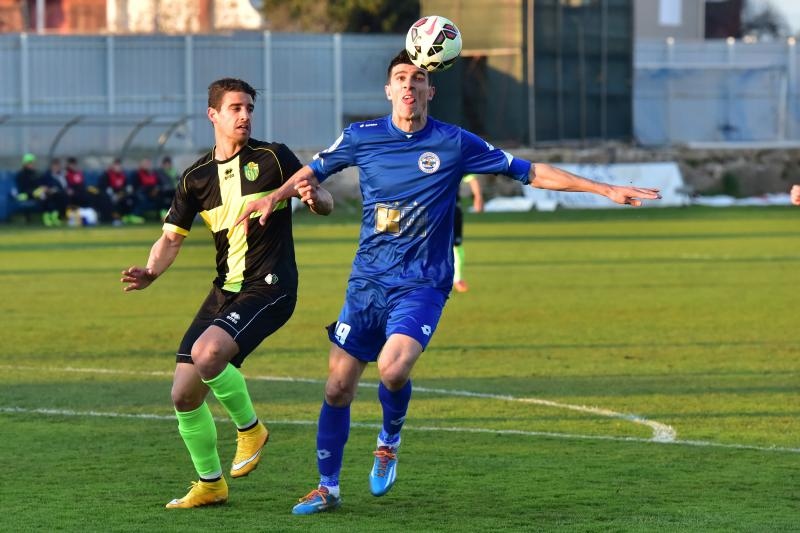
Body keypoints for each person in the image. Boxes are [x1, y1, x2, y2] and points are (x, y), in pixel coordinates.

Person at [233, 49, 661, 515]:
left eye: (419, 79)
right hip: (367, 283)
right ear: (389, 89)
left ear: (430, 91)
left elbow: (530, 171)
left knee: (394, 370)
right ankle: (327, 487)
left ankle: (388, 440)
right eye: (401, 78)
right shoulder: (362, 136)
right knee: (337, 387)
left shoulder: (455, 142)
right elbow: (314, 170)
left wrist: (604, 189)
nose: (410, 87)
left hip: (422, 284)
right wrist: (274, 197)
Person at [120, 77, 333, 509]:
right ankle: (210, 484)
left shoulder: (274, 156)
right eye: (235, 108)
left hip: (271, 286)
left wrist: (313, 196)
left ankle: (250, 428)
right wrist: (151, 272)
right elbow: (170, 238)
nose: (245, 116)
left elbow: (324, 199)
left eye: (249, 108)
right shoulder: (196, 177)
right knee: (183, 393)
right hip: (226, 289)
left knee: (209, 353)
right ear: (213, 114)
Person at [452, 173, 484, 293]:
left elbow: (471, 178)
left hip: (452, 209)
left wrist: (478, 196)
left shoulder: (453, 156)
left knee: (456, 245)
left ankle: (458, 279)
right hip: (429, 211)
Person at [98, 158, 141, 225]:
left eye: (119, 165)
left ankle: (128, 216)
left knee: (133, 198)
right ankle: (115, 218)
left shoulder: (123, 175)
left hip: (121, 195)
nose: (118, 167)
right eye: (116, 165)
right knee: (110, 200)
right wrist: (114, 195)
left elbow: (127, 187)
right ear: (112, 166)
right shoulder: (106, 175)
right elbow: (104, 188)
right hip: (110, 196)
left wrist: (123, 193)